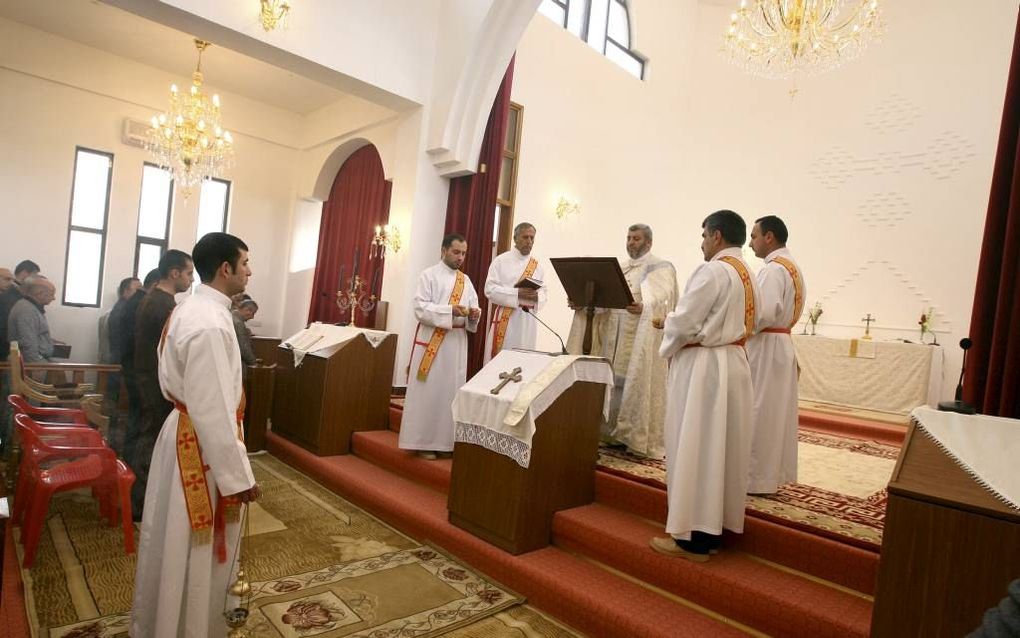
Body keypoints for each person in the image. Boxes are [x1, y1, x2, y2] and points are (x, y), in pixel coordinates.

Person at [131, 232, 259, 637]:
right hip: (200, 445)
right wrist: (239, 477)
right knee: (195, 543)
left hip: (186, 433)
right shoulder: (208, 323)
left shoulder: (192, 307)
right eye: (245, 263)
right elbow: (212, 409)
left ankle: (173, 621)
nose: (250, 271)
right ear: (226, 269)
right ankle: (190, 627)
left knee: (176, 542)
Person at [650, 210, 760, 562]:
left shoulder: (713, 270)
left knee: (695, 446)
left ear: (716, 236)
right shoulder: (749, 275)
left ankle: (690, 537)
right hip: (733, 363)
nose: (701, 243)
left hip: (704, 369)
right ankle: (711, 529)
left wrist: (664, 323)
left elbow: (686, 321)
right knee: (720, 448)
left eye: (703, 236)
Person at [565, 224, 678, 458]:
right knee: (611, 381)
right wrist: (584, 302)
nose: (630, 243)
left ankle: (632, 436)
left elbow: (663, 299)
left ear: (648, 243)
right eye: (628, 238)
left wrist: (645, 306)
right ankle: (608, 433)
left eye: (636, 239)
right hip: (611, 332)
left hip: (636, 333)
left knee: (630, 382)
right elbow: (604, 298)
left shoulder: (660, 267)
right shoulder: (620, 268)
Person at [398, 233, 481, 460]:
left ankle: (445, 443)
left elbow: (474, 309)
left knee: (449, 392)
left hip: (455, 345)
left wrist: (474, 314)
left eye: (463, 253)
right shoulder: (429, 275)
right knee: (430, 392)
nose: (460, 257)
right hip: (432, 344)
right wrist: (449, 310)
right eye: (456, 252)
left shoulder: (466, 281)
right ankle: (424, 441)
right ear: (443, 250)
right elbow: (420, 308)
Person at [131, 250, 194, 515]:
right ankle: (141, 502)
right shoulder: (162, 304)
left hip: (148, 378)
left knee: (149, 436)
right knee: (152, 438)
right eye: (189, 273)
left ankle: (143, 498)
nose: (191, 279)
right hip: (154, 382)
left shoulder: (155, 298)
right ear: (174, 273)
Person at [746, 215, 806, 495]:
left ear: (769, 237)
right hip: (780, 343)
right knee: (774, 412)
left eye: (754, 236)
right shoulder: (792, 266)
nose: (750, 242)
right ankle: (770, 476)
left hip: (766, 344)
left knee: (759, 410)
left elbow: (764, 313)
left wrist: (737, 323)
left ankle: (755, 478)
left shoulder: (772, 270)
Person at [482, 222, 547, 362]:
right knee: (501, 362)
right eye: (525, 237)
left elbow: (544, 294)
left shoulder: (538, 267)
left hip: (528, 321)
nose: (529, 241)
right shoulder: (501, 261)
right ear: (515, 238)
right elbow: (489, 290)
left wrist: (536, 297)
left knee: (523, 363)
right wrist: (517, 294)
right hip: (506, 319)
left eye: (532, 238)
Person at [115, 269, 159, 462]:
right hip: (138, 370)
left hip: (130, 367)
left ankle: (129, 458)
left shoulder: (132, 303)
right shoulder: (144, 303)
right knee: (140, 418)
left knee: (136, 416)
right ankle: (134, 462)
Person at [7, 275, 57, 362]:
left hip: (38, 358)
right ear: (40, 294)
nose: (54, 298)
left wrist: (48, 341)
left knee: (59, 371)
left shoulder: (31, 307)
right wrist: (37, 368)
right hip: (31, 363)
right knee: (59, 372)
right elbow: (28, 344)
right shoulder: (26, 310)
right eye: (51, 294)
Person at [0, 260, 41, 362]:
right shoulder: (10, 296)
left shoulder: (14, 295)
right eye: (7, 279)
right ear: (24, 273)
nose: (11, 283)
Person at [232, 298, 258, 374]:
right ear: (247, 310)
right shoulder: (238, 323)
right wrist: (253, 362)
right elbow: (243, 346)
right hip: (237, 363)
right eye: (253, 313)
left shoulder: (231, 316)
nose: (252, 317)